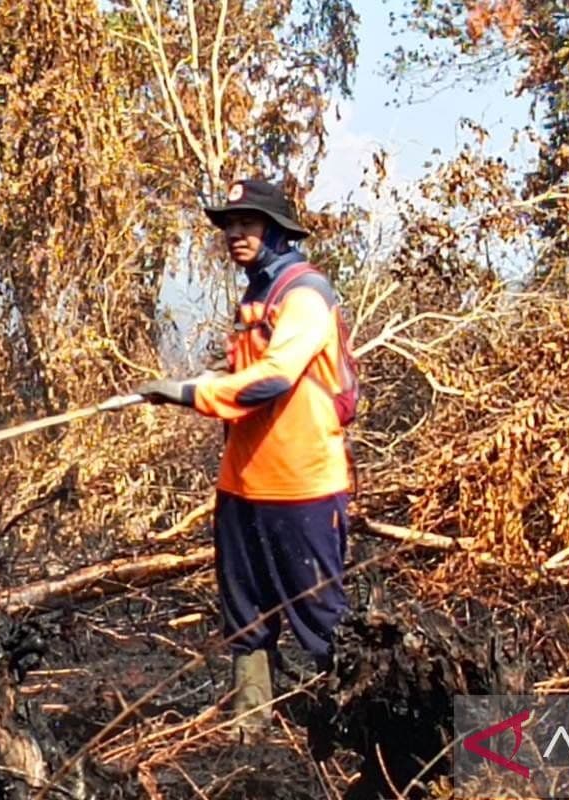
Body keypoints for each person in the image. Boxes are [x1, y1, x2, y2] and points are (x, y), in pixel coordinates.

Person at [136, 179, 355, 733]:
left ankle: (364, 725)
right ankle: (249, 724)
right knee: (246, 612)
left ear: (277, 231)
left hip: (301, 486)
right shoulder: (253, 297)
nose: (235, 233)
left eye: (248, 223)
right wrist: (196, 385)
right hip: (242, 486)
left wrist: (188, 392)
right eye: (230, 224)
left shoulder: (305, 295)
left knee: (321, 615)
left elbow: (275, 378)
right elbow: (244, 379)